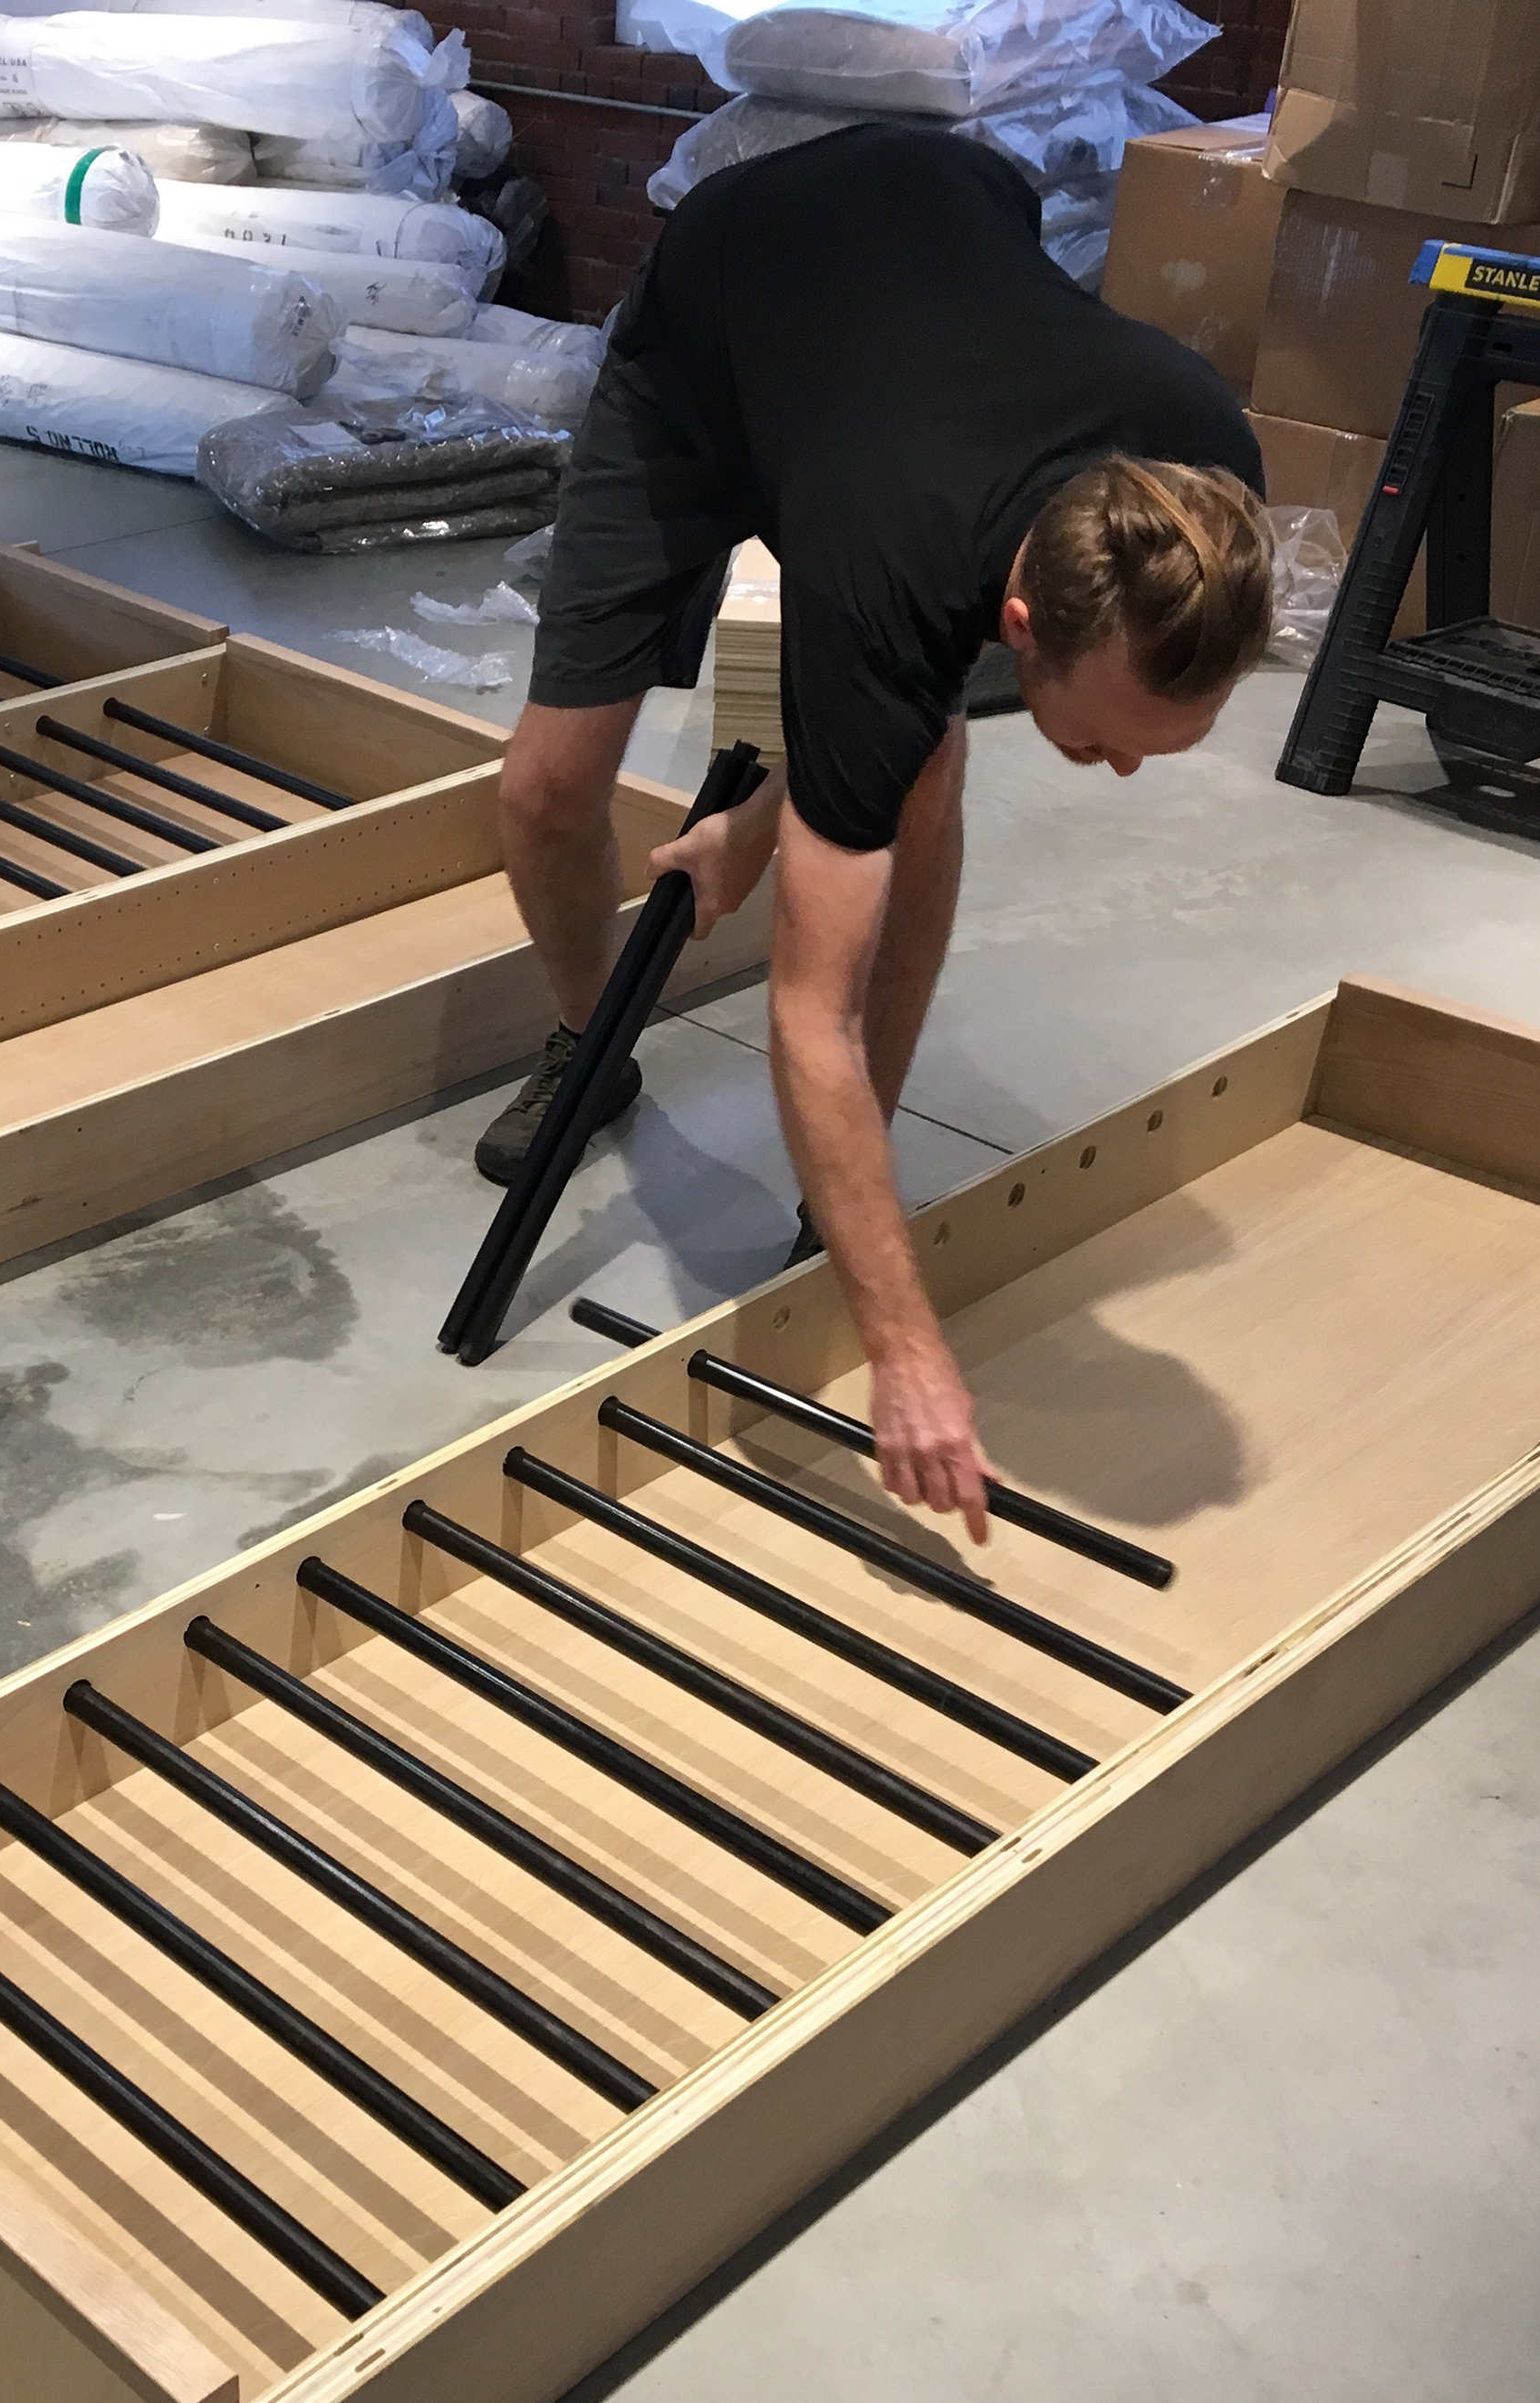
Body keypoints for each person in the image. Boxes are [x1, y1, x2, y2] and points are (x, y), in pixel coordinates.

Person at [484, 121, 1275, 1546]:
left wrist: (757, 827)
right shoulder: (896, 553)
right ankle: (587, 1048)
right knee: (546, 789)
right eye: (1101, 739)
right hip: (709, 341)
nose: (1114, 773)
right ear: (1019, 625)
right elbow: (809, 1013)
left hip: (906, 339)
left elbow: (882, 723)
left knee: (913, 777)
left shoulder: (1207, 493)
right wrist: (907, 1353)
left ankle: (845, 1190)